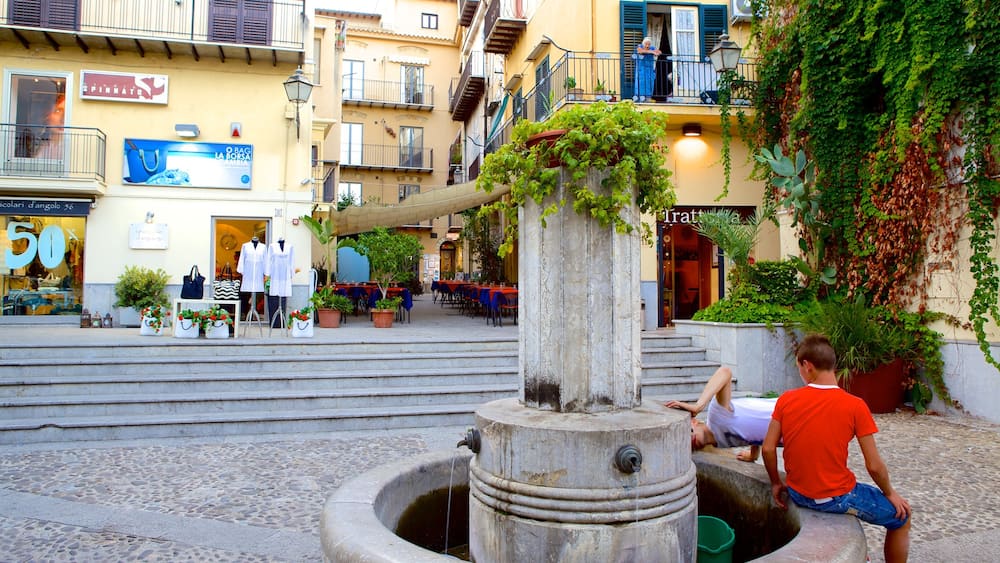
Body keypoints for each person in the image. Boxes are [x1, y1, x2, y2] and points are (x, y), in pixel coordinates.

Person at [762, 334, 911, 563]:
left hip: (797, 493)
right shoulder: (855, 405)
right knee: (902, 517)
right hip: (835, 497)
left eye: (799, 368)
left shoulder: (786, 399)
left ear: (807, 366)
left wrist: (775, 482)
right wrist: (890, 493)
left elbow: (768, 449)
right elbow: (874, 465)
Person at [665, 366, 776, 462]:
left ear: (694, 422)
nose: (688, 438)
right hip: (784, 432)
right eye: (684, 441)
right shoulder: (719, 443)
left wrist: (698, 406)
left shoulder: (716, 416)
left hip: (788, 412)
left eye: (687, 431)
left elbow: (725, 372)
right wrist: (753, 453)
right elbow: (751, 428)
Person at [634, 37, 660, 102]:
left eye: (649, 44)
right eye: (646, 44)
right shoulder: (640, 46)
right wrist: (651, 52)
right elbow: (640, 51)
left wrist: (655, 52)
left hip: (649, 69)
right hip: (641, 69)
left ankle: (648, 98)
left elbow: (659, 52)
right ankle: (640, 98)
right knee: (641, 83)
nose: (647, 46)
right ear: (643, 44)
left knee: (649, 84)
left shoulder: (652, 47)